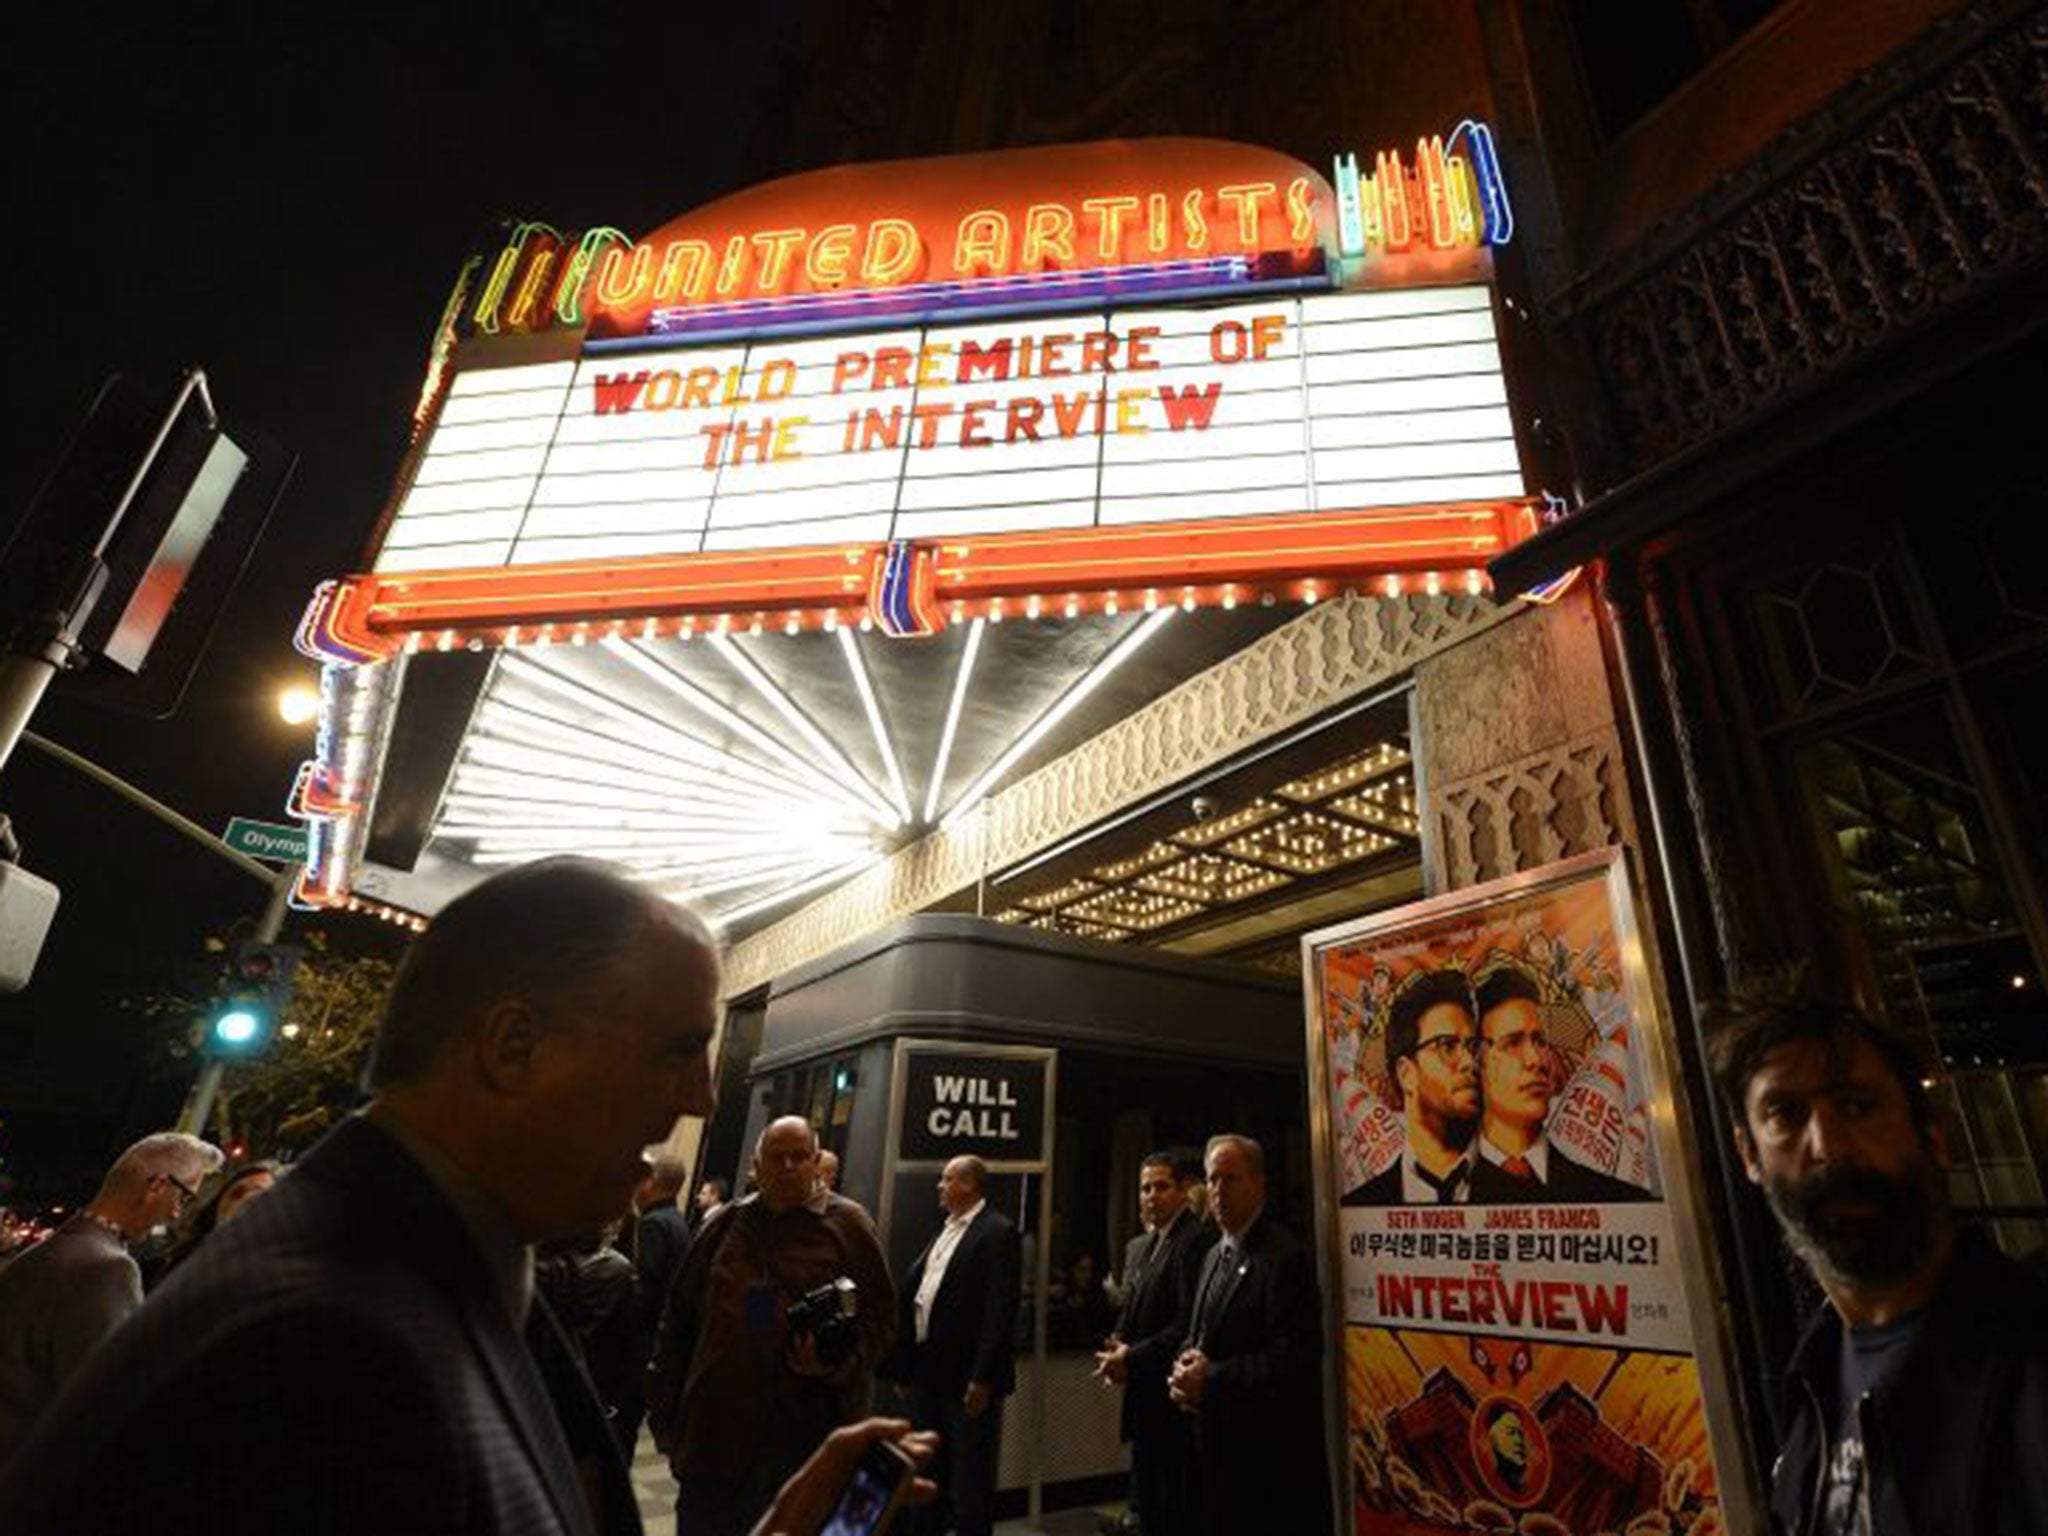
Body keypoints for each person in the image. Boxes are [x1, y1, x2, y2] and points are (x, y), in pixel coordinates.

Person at [0, 856, 926, 1536]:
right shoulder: (322, 1355)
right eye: (677, 1051)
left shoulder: (423, 1272)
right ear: (513, 1049)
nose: (701, 1099)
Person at [1708, 995, 2048, 1535]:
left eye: (1857, 1106)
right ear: (1749, 1156)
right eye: (1786, 1115)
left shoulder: (2027, 1367)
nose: (1827, 1146)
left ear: (1932, 1137)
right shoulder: (1810, 1382)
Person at [648, 1115, 897, 1536]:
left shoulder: (847, 1226)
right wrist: (666, 1418)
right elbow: (678, 1322)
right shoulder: (725, 1225)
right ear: (755, 1163)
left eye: (799, 1157)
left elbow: (883, 1322)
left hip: (802, 1442)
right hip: (714, 1441)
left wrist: (836, 1363)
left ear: (816, 1161)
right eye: (777, 1157)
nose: (788, 1167)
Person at [0, 1130, 222, 1460]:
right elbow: (106, 1400)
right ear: (157, 1186)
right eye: (185, 1197)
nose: (177, 1212)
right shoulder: (108, 1268)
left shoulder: (50, 1250)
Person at [1168, 1135, 1329, 1536]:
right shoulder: (1211, 1254)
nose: (1218, 1191)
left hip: (1263, 1453)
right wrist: (1184, 1367)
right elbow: (1200, 1332)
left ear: (1259, 1184)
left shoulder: (1284, 1256)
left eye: (1230, 1179)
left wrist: (1212, 1378)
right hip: (1212, 1445)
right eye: (1212, 1180)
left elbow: (1296, 1355)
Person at [887, 1154, 1021, 1536]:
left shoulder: (997, 1231)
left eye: (946, 1180)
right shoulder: (946, 1230)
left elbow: (1000, 1309)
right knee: (929, 1470)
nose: (939, 1187)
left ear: (968, 1184)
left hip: (966, 1378)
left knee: (971, 1479)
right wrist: (904, 1366)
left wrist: (983, 1377)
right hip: (928, 1373)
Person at [1095, 1150, 1214, 1536]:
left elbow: (1187, 1321)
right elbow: (1139, 1305)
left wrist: (1135, 1353)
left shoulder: (1193, 1239)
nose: (1150, 1195)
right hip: (1146, 1391)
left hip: (1171, 1397)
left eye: (1161, 1186)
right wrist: (1119, 1345)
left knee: (1171, 1504)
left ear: (1183, 1190)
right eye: (1145, 1188)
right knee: (1150, 1501)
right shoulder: (1150, 1243)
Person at [1465, 958, 1647, 1203]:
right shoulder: (1441, 1191)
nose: (1535, 1060)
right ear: (1476, 1058)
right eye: (1512, 1043)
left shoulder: (1619, 1200)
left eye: (1540, 1041)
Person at [1344, 968, 1480, 1205]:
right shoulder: (1360, 1207)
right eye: (1447, 1046)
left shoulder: (1526, 1196)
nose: (1470, 1062)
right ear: (1406, 1073)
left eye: (1473, 1046)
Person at [144, 1159, 285, 1288]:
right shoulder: (164, 1271)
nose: (246, 1201)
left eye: (259, 1196)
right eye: (237, 1194)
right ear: (215, 1213)